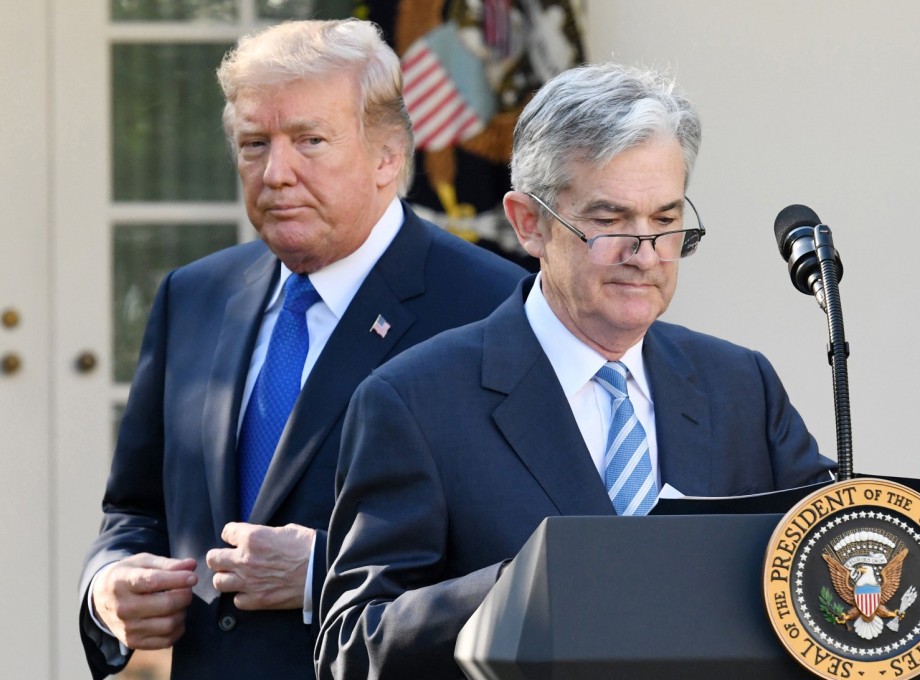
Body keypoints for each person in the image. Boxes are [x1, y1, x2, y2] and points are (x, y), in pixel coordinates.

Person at [315, 62, 836, 679]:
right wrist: (528, 587)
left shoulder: (740, 386)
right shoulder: (414, 402)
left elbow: (823, 573)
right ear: (528, 223)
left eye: (666, 221)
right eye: (609, 220)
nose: (644, 254)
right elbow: (353, 646)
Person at [78, 19, 526, 680]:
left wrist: (324, 571)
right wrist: (108, 587)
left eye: (310, 141)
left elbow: (522, 565)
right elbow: (136, 509)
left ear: (388, 155)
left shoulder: (495, 309)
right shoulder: (194, 297)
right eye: (255, 143)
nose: (276, 172)